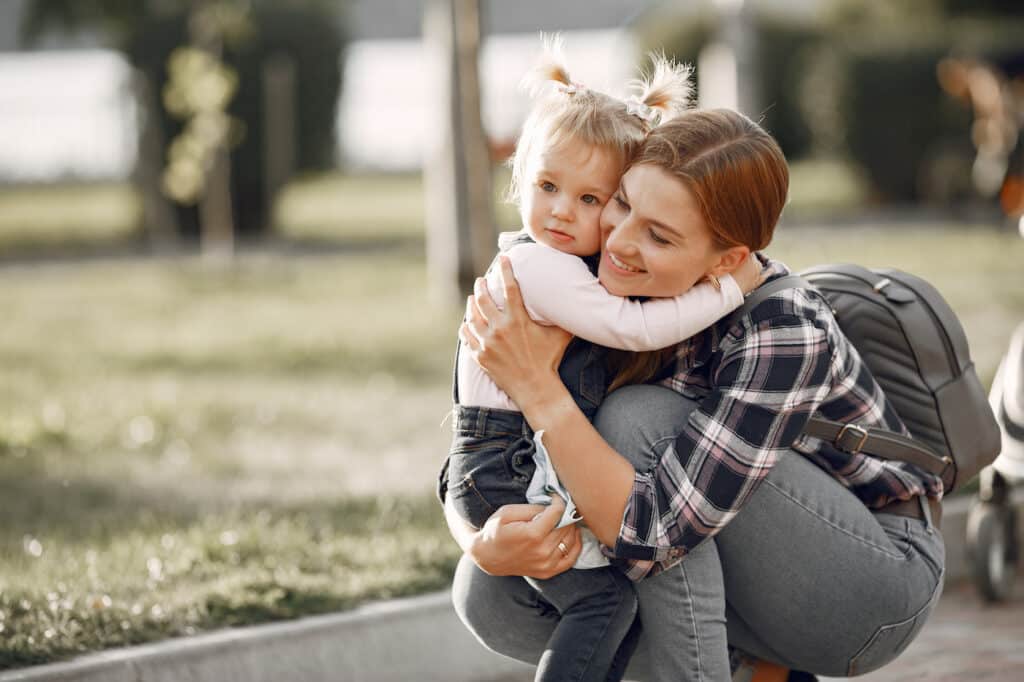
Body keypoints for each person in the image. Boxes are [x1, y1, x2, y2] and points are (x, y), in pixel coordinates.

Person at [446, 109, 946, 681]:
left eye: (659, 235)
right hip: (717, 542)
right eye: (623, 203)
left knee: (637, 420)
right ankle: (753, 668)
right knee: (488, 591)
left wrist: (538, 388)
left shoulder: (784, 329)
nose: (620, 242)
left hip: (868, 583)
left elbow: (652, 536)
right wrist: (480, 540)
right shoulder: (582, 262)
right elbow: (475, 443)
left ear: (729, 261)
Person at [442, 38, 761, 682]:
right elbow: (634, 329)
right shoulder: (541, 267)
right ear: (519, 178)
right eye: (548, 186)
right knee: (604, 603)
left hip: (507, 459)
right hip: (503, 465)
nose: (562, 211)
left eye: (590, 199)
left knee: (614, 608)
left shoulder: (566, 267)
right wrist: (727, 288)